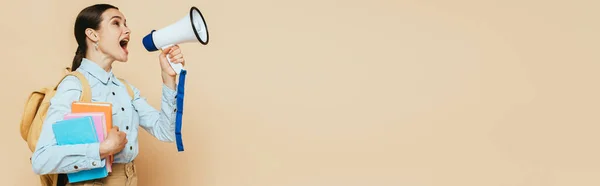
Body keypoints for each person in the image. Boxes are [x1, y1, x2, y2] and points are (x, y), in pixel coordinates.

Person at [31, 4, 185, 186]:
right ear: (93, 35)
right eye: (116, 23)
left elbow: (166, 132)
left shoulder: (126, 90)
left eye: (125, 24)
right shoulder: (74, 86)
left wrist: (168, 78)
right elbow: (41, 160)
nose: (127, 30)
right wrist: (102, 149)